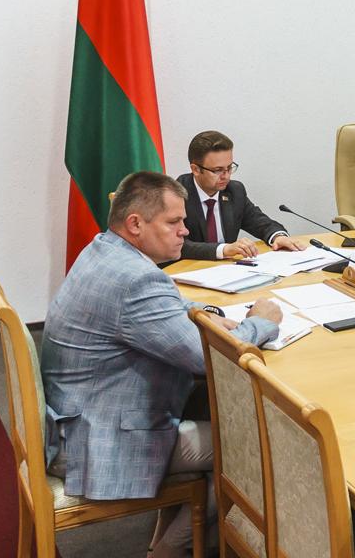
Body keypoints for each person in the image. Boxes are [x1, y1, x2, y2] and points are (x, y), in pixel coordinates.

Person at [41, 171, 283, 558]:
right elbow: (208, 359)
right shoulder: (135, 280)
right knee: (258, 446)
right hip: (100, 439)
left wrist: (207, 313)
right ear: (136, 223)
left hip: (77, 418)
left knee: (211, 410)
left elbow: (166, 302)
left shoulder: (105, 250)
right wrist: (261, 322)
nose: (185, 230)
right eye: (174, 222)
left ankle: (174, 536)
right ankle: (169, 551)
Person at [177, 130, 301, 260]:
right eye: (218, 170)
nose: (226, 176)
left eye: (229, 167)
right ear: (196, 169)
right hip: (188, 268)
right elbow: (178, 245)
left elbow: (259, 222)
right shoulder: (175, 196)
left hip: (228, 268)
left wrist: (278, 237)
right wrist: (224, 249)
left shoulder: (234, 191)